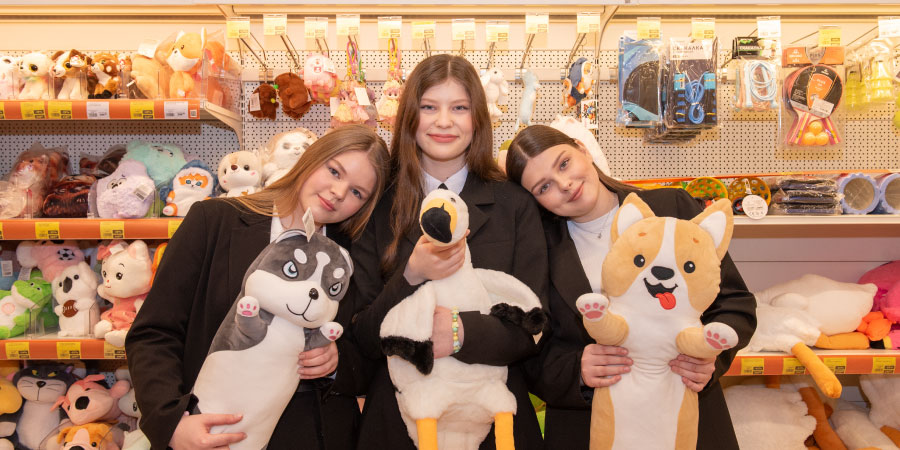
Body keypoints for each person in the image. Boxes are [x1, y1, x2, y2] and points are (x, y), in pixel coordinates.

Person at [125, 124, 390, 450]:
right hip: (213, 431)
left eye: (357, 192)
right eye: (334, 171)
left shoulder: (350, 256)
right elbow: (154, 332)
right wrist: (172, 423)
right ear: (311, 159)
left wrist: (335, 362)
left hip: (312, 434)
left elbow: (367, 353)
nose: (338, 192)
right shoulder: (215, 221)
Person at [505, 124, 756, 450]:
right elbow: (529, 351)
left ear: (582, 149)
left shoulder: (671, 208)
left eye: (564, 163)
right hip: (588, 427)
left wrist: (709, 360)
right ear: (535, 201)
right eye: (544, 187)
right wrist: (576, 370)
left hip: (686, 416)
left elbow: (735, 304)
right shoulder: (538, 249)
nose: (564, 185)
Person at [349, 54, 548, 449]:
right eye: (428, 107)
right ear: (409, 116)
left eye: (459, 108)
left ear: (478, 118)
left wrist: (459, 333)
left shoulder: (514, 205)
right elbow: (363, 336)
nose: (443, 121)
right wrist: (410, 275)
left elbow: (535, 325)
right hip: (399, 420)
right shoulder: (376, 204)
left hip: (494, 419)